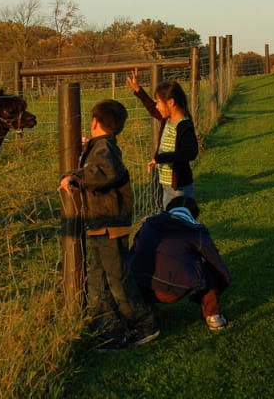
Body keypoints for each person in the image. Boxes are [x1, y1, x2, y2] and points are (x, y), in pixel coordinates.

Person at [59, 99, 159, 349]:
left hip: (109, 224)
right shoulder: (102, 146)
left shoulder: (103, 148)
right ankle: (108, 329)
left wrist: (75, 176)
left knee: (117, 278)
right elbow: (101, 165)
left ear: (94, 122)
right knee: (97, 277)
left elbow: (105, 172)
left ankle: (144, 324)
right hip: (99, 223)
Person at [129, 196, 231, 331]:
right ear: (193, 214)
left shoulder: (148, 224)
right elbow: (216, 261)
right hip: (173, 289)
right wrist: (224, 280)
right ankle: (214, 315)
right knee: (209, 265)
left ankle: (144, 308)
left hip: (139, 285)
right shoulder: (196, 231)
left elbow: (133, 252)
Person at [127, 68, 199, 209]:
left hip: (179, 189)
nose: (157, 106)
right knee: (170, 223)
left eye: (159, 102)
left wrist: (160, 158)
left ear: (171, 102)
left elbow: (190, 152)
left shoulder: (184, 125)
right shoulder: (168, 119)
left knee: (176, 225)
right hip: (167, 185)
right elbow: (152, 109)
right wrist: (138, 90)